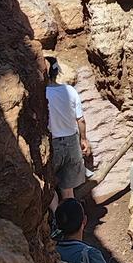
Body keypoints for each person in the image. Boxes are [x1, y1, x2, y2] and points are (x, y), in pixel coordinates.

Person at [45, 59, 93, 201]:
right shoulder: (70, 91)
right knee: (68, 190)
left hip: (52, 144)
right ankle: (72, 220)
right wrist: (83, 139)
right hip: (71, 142)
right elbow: (80, 119)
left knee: (50, 188)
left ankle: (55, 221)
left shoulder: (42, 94)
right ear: (57, 72)